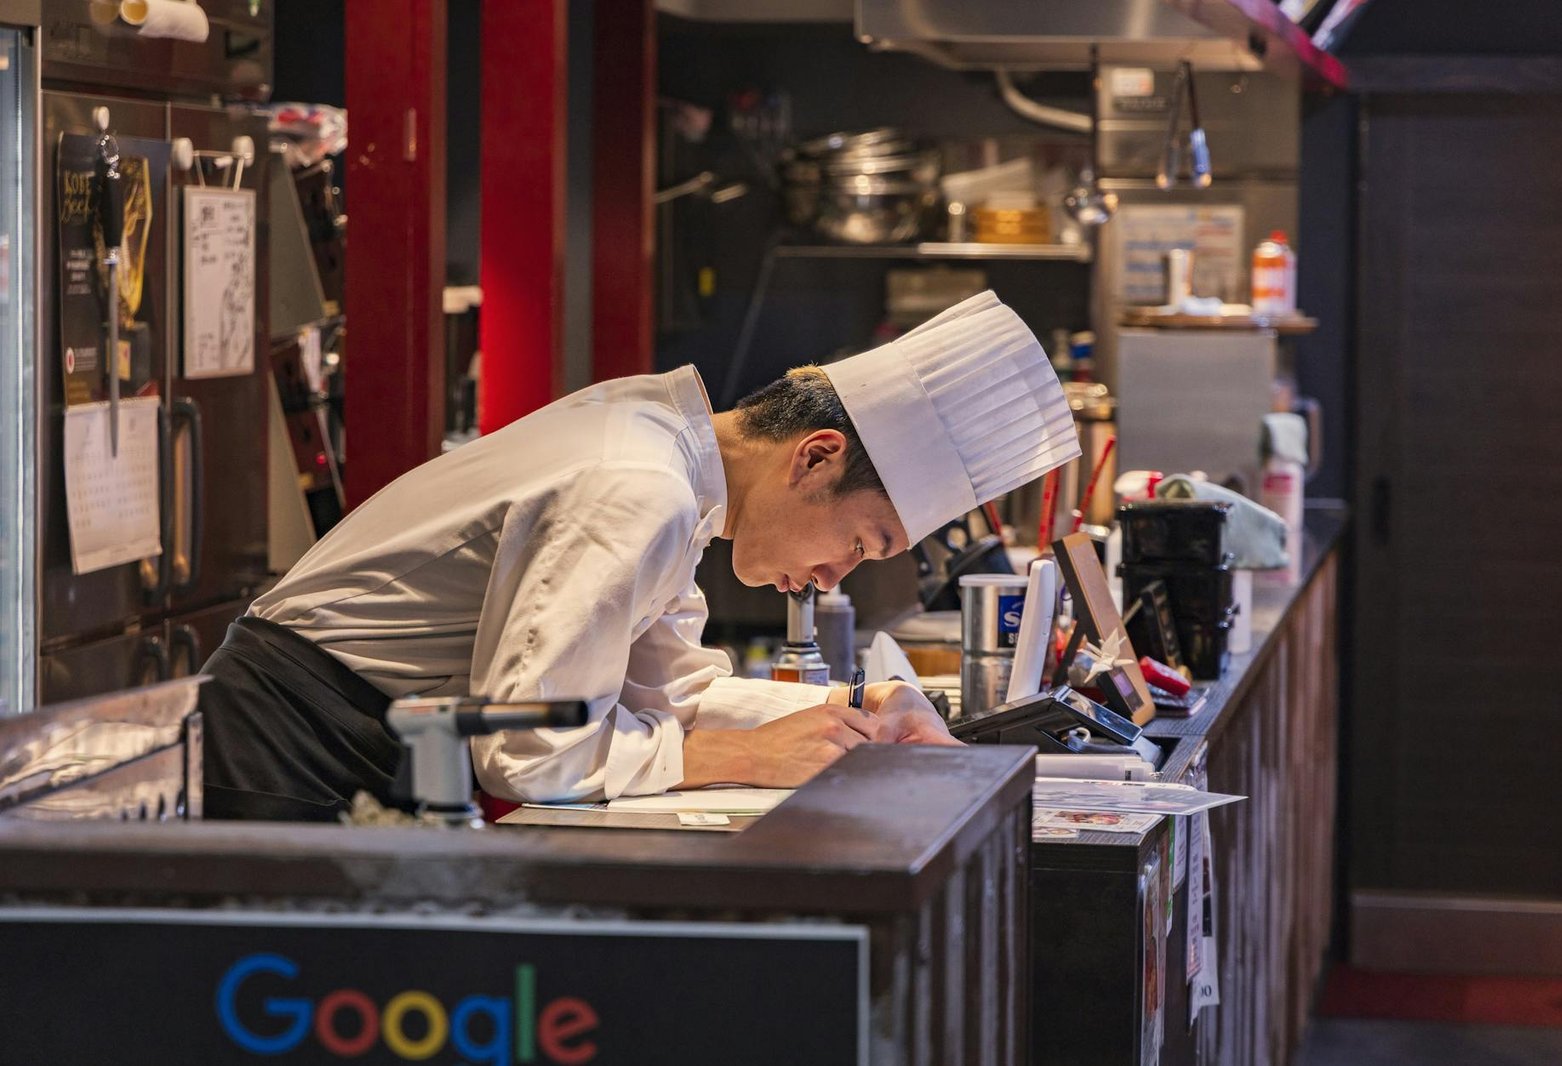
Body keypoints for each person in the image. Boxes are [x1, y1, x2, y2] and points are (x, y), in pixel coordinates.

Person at [199, 291, 1080, 819]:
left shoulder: (677, 467)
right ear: (814, 457)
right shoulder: (640, 482)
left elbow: (671, 692)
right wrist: (747, 756)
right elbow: (537, 748)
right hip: (293, 750)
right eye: (857, 544)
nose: (832, 577)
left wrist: (861, 703)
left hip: (355, 745)